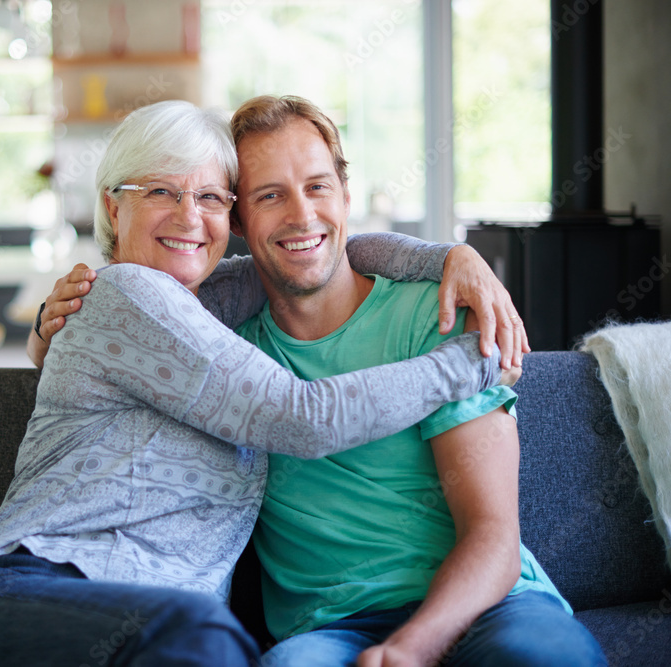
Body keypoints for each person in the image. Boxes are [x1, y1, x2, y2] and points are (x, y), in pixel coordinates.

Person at [0, 100, 518, 667]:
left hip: (154, 635)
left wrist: (450, 259)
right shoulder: (126, 292)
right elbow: (303, 418)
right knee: (204, 637)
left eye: (208, 196)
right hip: (24, 596)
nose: (187, 215)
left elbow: (326, 249)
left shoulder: (209, 299)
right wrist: (473, 360)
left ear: (230, 218)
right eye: (159, 191)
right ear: (111, 206)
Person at [227, 95, 603, 666]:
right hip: (332, 629)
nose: (302, 215)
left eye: (318, 186)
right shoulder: (225, 355)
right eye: (270, 195)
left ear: (346, 197)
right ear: (237, 218)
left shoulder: (440, 314)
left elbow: (494, 537)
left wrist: (411, 648)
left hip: (490, 606)